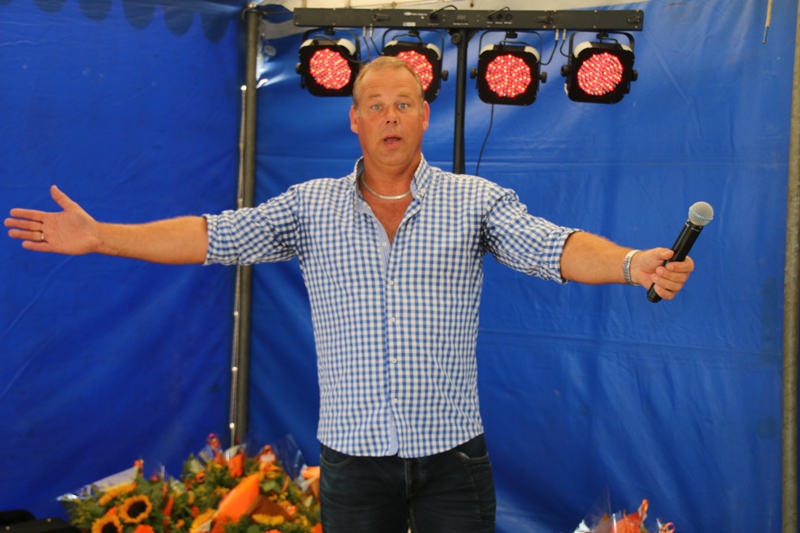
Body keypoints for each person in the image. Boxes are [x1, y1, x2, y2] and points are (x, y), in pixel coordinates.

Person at [5, 57, 694, 533]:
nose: (390, 117)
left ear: (425, 117)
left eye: (404, 105)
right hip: (353, 465)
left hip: (454, 461)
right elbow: (212, 236)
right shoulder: (310, 208)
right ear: (355, 121)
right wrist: (104, 237)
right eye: (375, 106)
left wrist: (632, 262)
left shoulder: (476, 202)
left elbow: (553, 246)